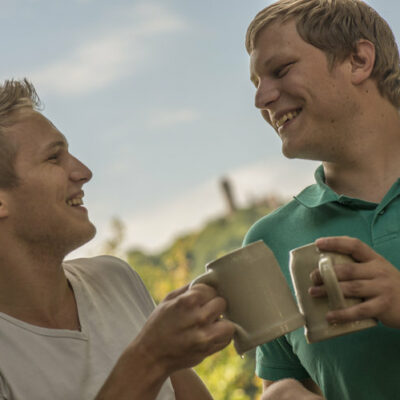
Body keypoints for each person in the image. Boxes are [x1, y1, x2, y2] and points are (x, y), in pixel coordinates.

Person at [0, 78, 235, 400]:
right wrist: (149, 359)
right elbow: (151, 360)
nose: (83, 171)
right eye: (54, 158)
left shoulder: (114, 278)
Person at [243, 0, 400, 399]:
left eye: (280, 71)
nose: (261, 99)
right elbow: (286, 382)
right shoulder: (265, 242)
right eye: (257, 82)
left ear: (358, 59)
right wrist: (279, 393)